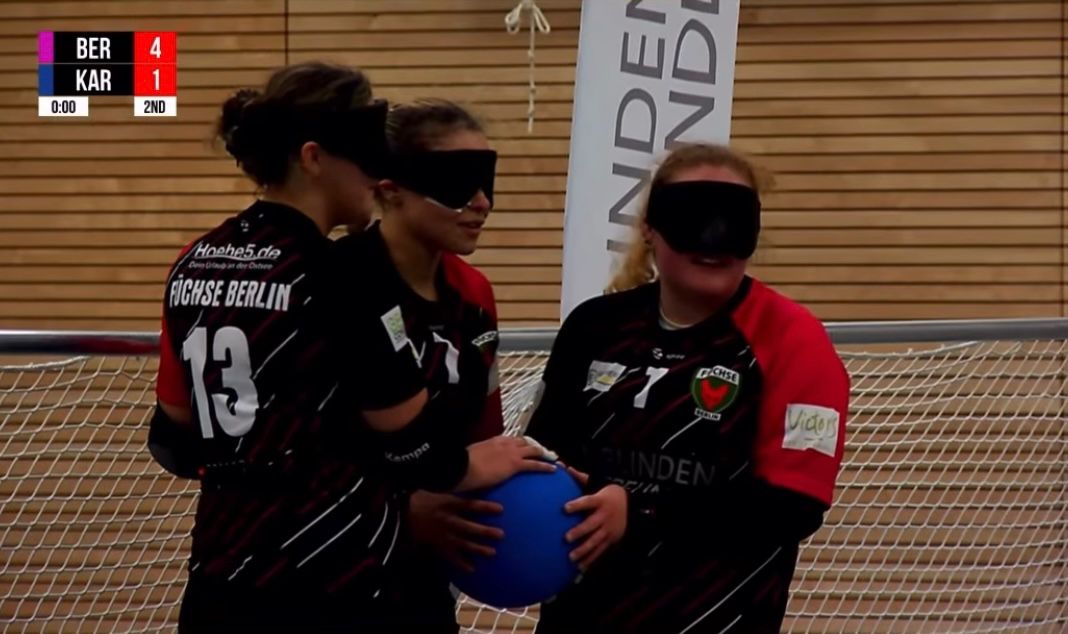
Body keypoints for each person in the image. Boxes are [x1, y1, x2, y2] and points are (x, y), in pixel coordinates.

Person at [150, 65, 550, 633]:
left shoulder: (196, 259)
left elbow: (173, 437)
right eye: (365, 155)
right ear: (313, 158)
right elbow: (413, 446)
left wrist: (254, 468)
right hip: (334, 581)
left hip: (223, 573)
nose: (375, 174)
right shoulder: (341, 275)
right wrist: (467, 464)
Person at [525, 143, 851, 633]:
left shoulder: (794, 339)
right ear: (649, 228)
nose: (714, 239)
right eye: (692, 216)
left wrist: (640, 513)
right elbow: (548, 460)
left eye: (733, 219)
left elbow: (792, 507)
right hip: (584, 615)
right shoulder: (595, 326)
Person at [322, 98, 515, 633]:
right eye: (458, 182)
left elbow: (484, 433)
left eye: (487, 182)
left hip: (420, 585)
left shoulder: (474, 295)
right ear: (390, 188)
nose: (481, 203)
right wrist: (397, 512)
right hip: (324, 575)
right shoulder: (337, 280)